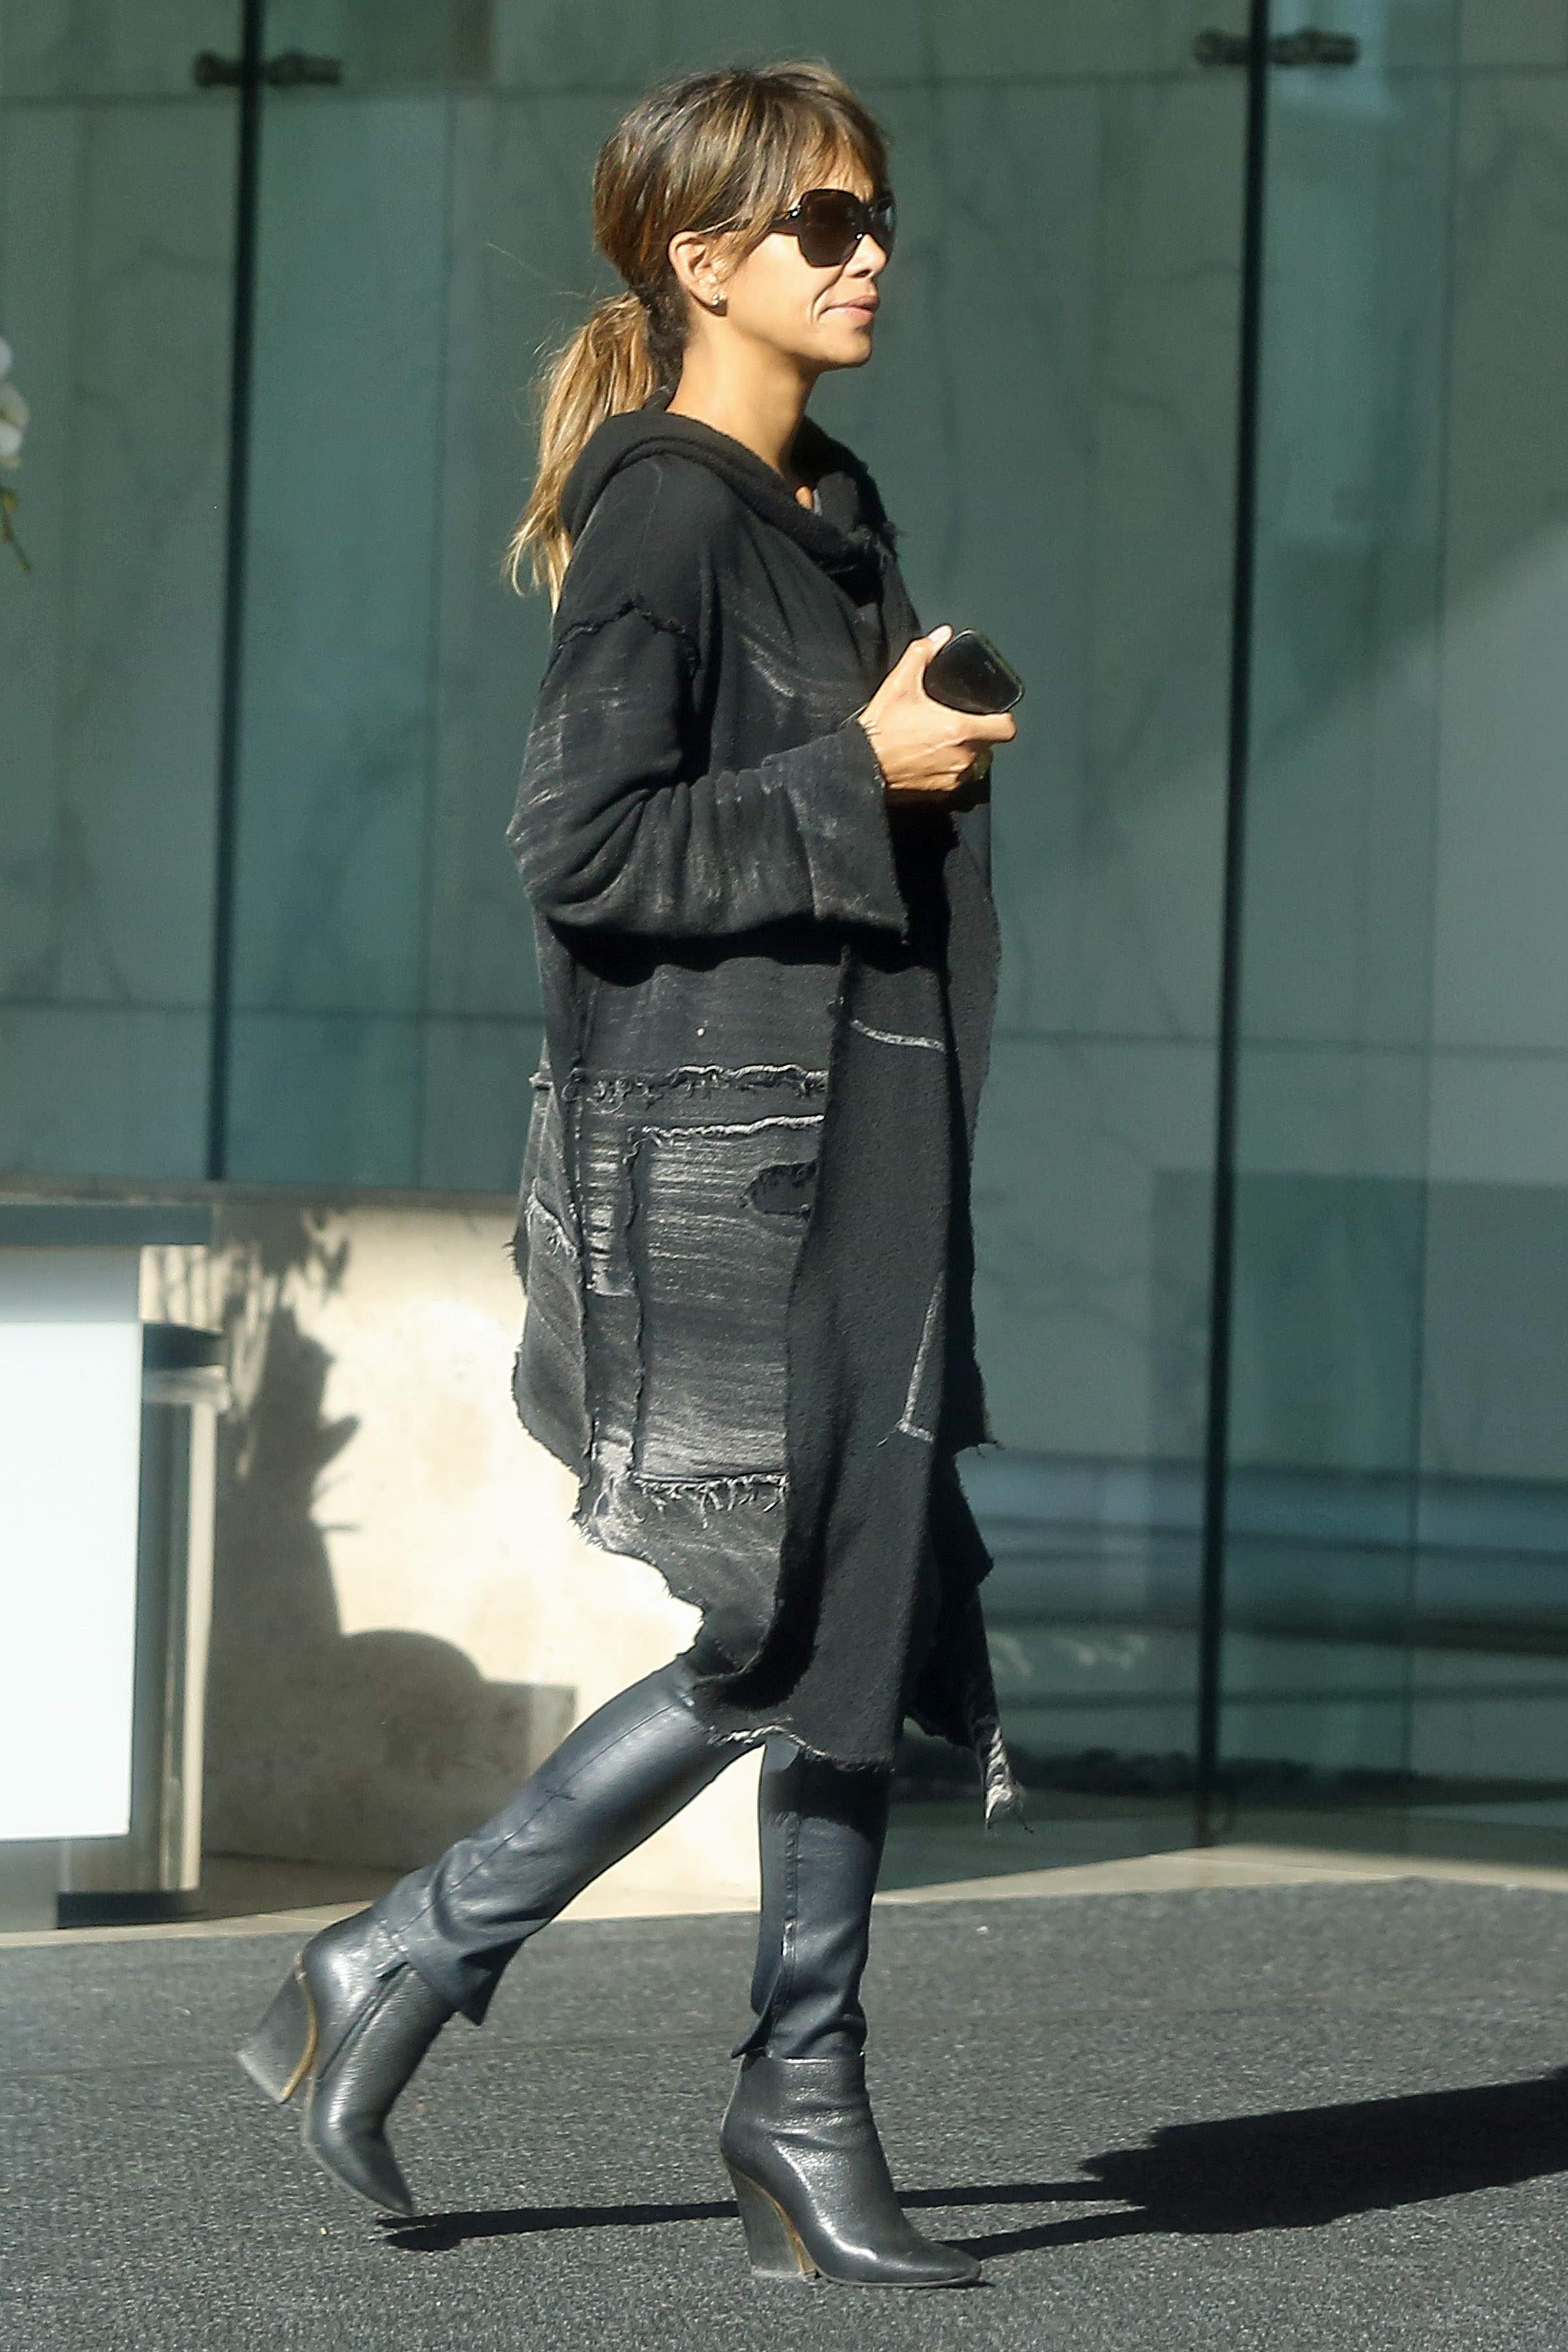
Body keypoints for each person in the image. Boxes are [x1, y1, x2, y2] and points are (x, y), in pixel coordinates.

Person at [237, 58, 1021, 2292]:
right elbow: (576, 851)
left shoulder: (827, 504)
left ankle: (772, 2088)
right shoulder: (667, 519)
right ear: (705, 258)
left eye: (877, 216)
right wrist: (856, 767)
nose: (868, 254)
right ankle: (430, 1963)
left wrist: (905, 765)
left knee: (862, 1602)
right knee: (790, 1620)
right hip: (735, 1165)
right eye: (824, 223)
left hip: (866, 1129)